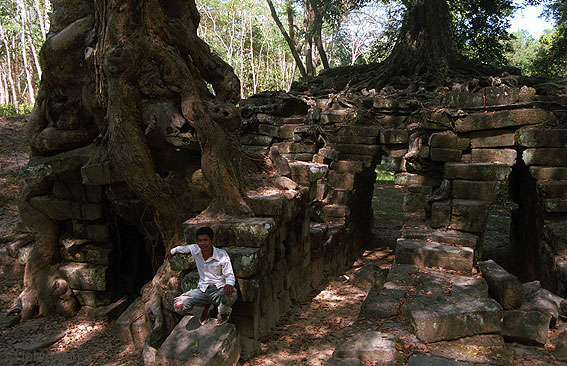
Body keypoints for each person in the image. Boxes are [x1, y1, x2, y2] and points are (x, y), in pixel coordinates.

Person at [165, 226, 237, 326]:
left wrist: (229, 284)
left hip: (219, 289)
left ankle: (223, 312)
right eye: (200, 240)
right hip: (202, 290)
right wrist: (172, 251)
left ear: (212, 240)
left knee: (232, 293)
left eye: (205, 240)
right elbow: (184, 248)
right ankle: (203, 311)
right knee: (178, 306)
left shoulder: (222, 255)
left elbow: (229, 274)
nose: (202, 243)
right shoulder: (195, 249)